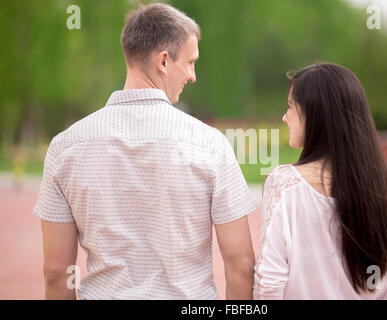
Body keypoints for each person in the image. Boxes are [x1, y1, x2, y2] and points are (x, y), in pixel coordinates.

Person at [33, 3, 255, 300]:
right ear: (164, 62)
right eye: (190, 62)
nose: (193, 76)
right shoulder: (210, 145)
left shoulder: (65, 147)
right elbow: (240, 264)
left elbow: (56, 273)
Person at [253, 63, 387, 299]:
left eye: (291, 107)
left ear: (315, 116)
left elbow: (269, 284)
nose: (285, 117)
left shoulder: (284, 184)